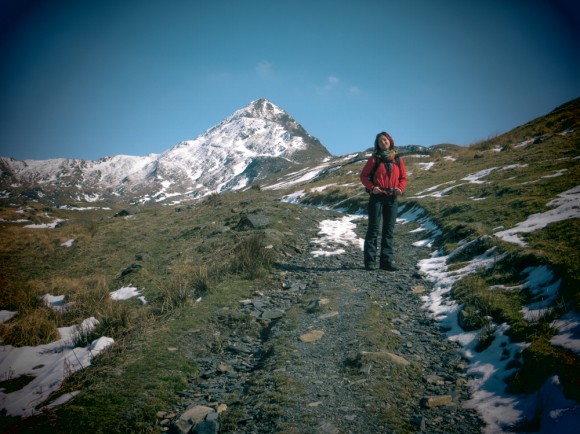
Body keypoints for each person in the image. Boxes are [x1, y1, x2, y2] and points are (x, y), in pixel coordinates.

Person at [359, 131, 407, 271]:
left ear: (390, 141)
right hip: (377, 198)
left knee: (388, 231)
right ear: (378, 145)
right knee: (373, 229)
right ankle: (370, 262)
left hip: (392, 197)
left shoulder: (398, 159)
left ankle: (386, 262)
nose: (383, 143)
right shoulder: (374, 159)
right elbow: (363, 176)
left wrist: (400, 188)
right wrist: (372, 187)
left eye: (385, 140)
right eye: (380, 141)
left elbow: (403, 177)